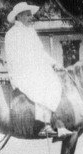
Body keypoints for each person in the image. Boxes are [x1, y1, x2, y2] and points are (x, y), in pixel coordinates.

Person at [5, 2, 73, 138]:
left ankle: (58, 121)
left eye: (30, 15)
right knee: (43, 83)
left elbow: (41, 53)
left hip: (35, 69)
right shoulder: (12, 34)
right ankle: (45, 125)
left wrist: (54, 63)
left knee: (56, 80)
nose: (31, 17)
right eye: (28, 15)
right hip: (22, 72)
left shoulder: (30, 31)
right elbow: (12, 58)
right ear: (19, 16)